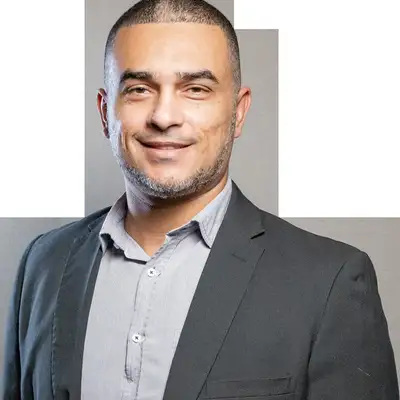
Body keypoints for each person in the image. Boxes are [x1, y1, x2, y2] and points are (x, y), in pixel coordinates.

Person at [2, 0, 399, 398]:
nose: (164, 116)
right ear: (107, 112)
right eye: (139, 89)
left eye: (196, 89)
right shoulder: (43, 264)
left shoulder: (330, 283)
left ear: (238, 112)